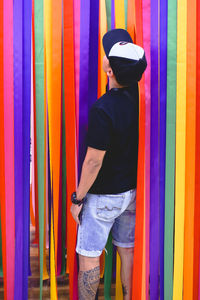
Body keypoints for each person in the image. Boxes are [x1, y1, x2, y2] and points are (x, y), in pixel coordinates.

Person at [70, 28, 147, 300]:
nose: (104, 58)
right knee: (127, 249)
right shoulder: (142, 102)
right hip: (131, 194)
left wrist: (78, 198)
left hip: (102, 198)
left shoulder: (102, 109)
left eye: (107, 57)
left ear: (110, 71)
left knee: (89, 256)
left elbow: (93, 161)